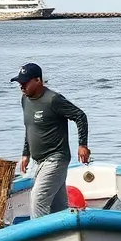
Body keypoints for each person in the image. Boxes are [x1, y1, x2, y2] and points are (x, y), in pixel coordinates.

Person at [12, 62, 90, 219]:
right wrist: (26, 153)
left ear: (38, 81)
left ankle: (38, 237)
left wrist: (82, 144)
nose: (21, 86)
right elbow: (30, 128)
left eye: (25, 82)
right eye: (20, 83)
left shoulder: (53, 100)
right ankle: (66, 236)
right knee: (58, 207)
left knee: (37, 199)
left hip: (56, 158)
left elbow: (80, 116)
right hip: (38, 161)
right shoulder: (24, 100)